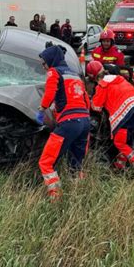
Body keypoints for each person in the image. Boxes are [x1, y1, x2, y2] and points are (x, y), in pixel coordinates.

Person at [37, 44, 91, 200]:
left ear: (51, 61)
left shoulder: (54, 72)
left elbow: (49, 94)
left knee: (46, 162)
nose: (43, 65)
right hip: (84, 123)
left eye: (44, 62)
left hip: (69, 123)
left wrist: (41, 110)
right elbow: (85, 100)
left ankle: (56, 197)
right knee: (76, 163)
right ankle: (79, 194)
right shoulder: (74, 74)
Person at [87, 60, 134, 170]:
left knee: (119, 142)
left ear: (92, 77)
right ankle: (119, 166)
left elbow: (96, 107)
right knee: (127, 140)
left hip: (126, 114)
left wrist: (89, 101)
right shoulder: (118, 78)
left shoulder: (102, 85)